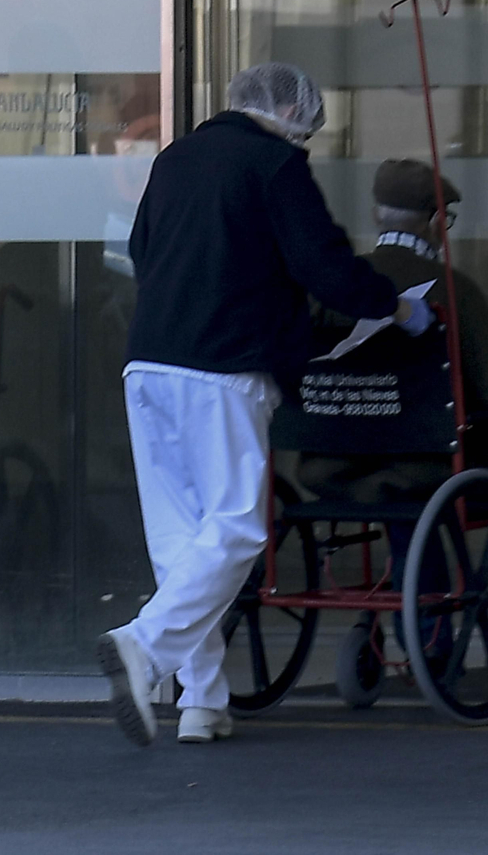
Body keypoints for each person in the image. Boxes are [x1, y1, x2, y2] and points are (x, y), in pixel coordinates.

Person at [98, 64, 434, 748]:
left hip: (148, 362)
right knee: (237, 528)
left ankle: (202, 700)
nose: (306, 137)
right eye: (306, 124)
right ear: (285, 109)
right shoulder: (275, 164)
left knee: (181, 539)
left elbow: (139, 249)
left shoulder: (175, 159)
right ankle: (144, 646)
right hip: (224, 367)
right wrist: (397, 306)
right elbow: (324, 267)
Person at [297, 158, 488, 662]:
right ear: (437, 221)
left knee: (406, 491)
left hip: (337, 469)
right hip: (431, 470)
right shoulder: (453, 290)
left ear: (376, 215)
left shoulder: (331, 287)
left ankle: (429, 636)